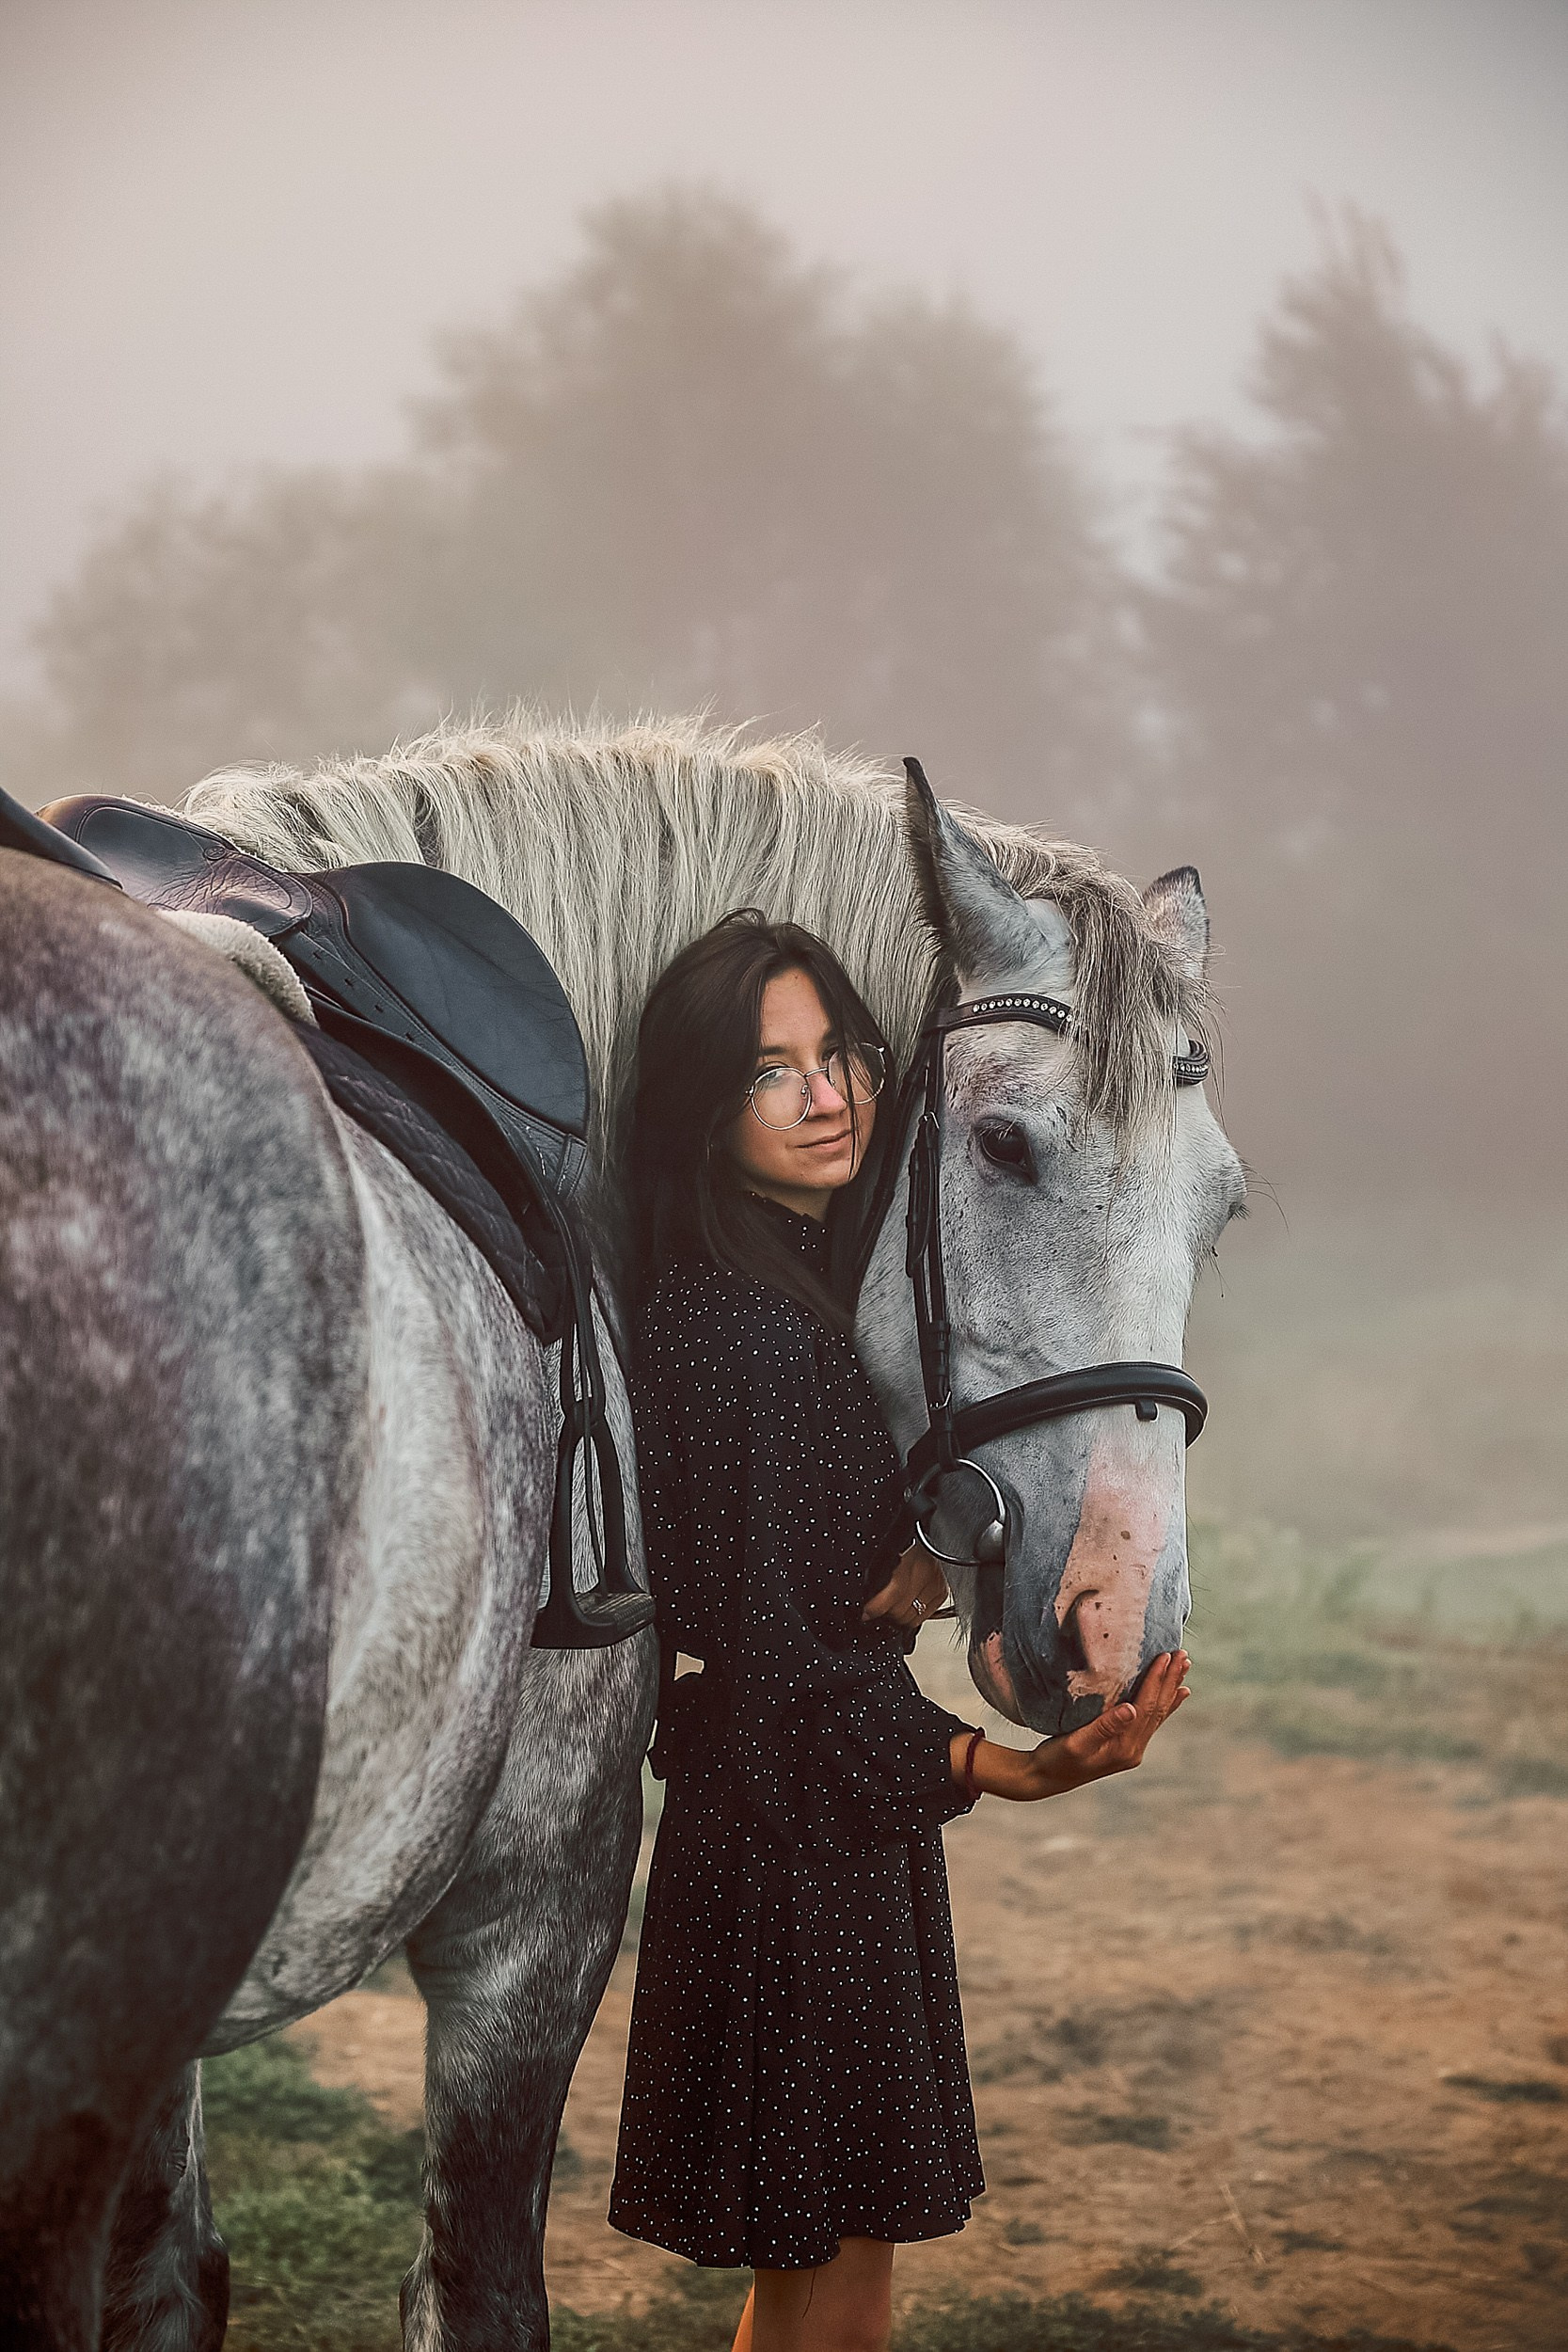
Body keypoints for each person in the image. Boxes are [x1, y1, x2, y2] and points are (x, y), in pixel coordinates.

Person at [608, 911, 1190, 2352]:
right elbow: (791, 1688)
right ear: (701, 1109)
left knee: (837, 2291)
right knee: (827, 2293)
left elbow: (816, 1574)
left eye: (843, 1053)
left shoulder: (793, 1301)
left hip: (825, 1842)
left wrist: (933, 1545)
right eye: (771, 1072)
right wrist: (1020, 1771)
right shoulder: (743, 1341)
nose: (828, 1096)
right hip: (790, 1850)